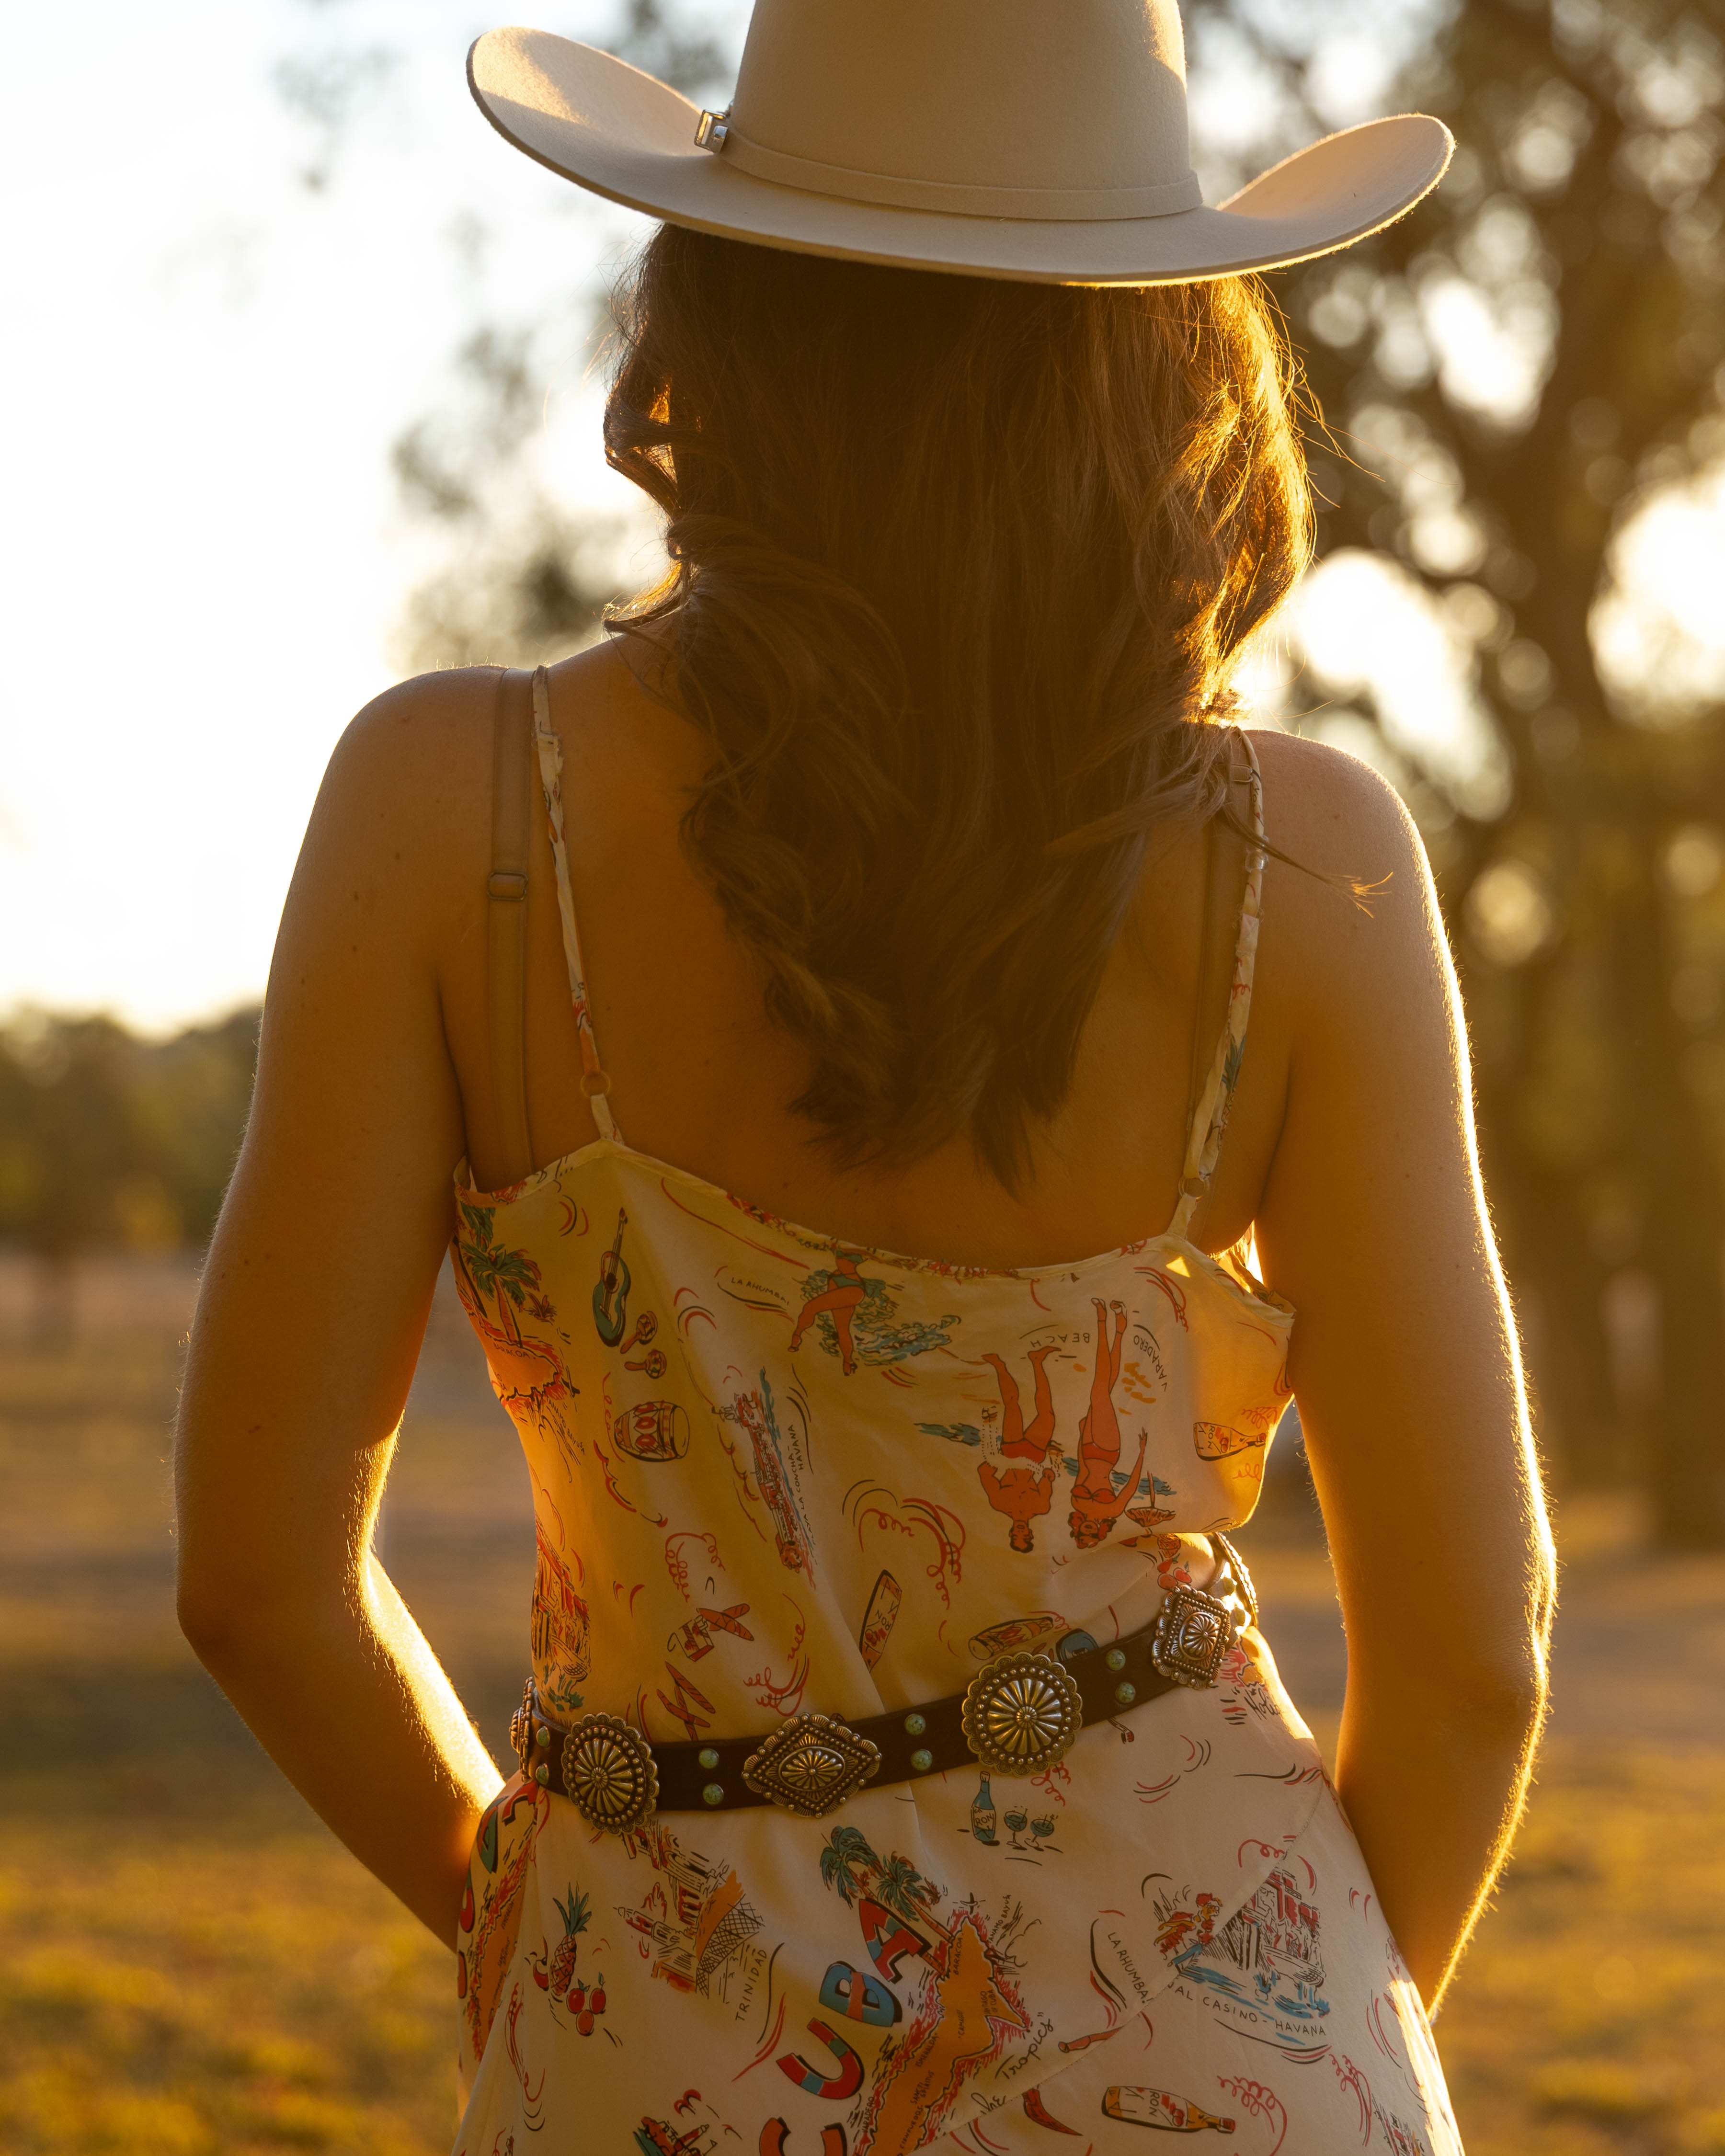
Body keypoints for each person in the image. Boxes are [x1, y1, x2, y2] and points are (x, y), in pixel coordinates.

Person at [174, 5, 1555, 2152]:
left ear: (703, 297)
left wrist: (535, 1913)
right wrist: (1289, 2022)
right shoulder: (1309, 866)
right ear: (1161, 350)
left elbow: (257, 1573)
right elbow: (1472, 1657)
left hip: (650, 2052)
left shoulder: (453, 807)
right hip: (1243, 2054)